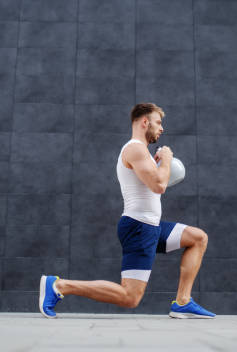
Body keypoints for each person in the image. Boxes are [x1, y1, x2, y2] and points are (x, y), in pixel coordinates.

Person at [39, 103, 215, 319]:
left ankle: (182, 302)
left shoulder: (144, 153)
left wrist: (160, 165)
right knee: (130, 297)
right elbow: (158, 185)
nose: (161, 128)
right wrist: (167, 160)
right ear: (144, 122)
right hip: (139, 228)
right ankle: (59, 286)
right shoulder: (135, 149)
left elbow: (156, 184)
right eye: (158, 122)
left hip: (150, 226)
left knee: (198, 238)